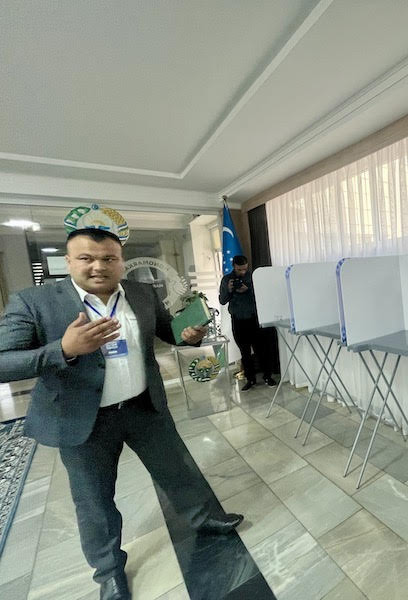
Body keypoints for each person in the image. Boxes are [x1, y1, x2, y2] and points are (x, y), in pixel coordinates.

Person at [0, 229, 244, 600]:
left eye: (109, 258)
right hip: (84, 423)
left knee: (177, 470)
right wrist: (62, 349)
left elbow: (168, 333)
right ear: (69, 262)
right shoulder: (35, 302)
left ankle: (203, 519)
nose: (98, 266)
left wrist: (189, 335)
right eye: (86, 258)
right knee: (94, 502)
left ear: (120, 260)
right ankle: (109, 572)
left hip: (144, 407)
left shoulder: (141, 293)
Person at [219, 254, 276, 391]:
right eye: (239, 270)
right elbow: (222, 300)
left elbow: (263, 296)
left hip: (254, 319)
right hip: (238, 320)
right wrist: (229, 289)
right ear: (234, 267)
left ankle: (267, 376)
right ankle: (250, 379)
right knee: (244, 352)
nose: (242, 272)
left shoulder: (254, 277)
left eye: (245, 269)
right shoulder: (227, 279)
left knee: (261, 350)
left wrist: (248, 289)